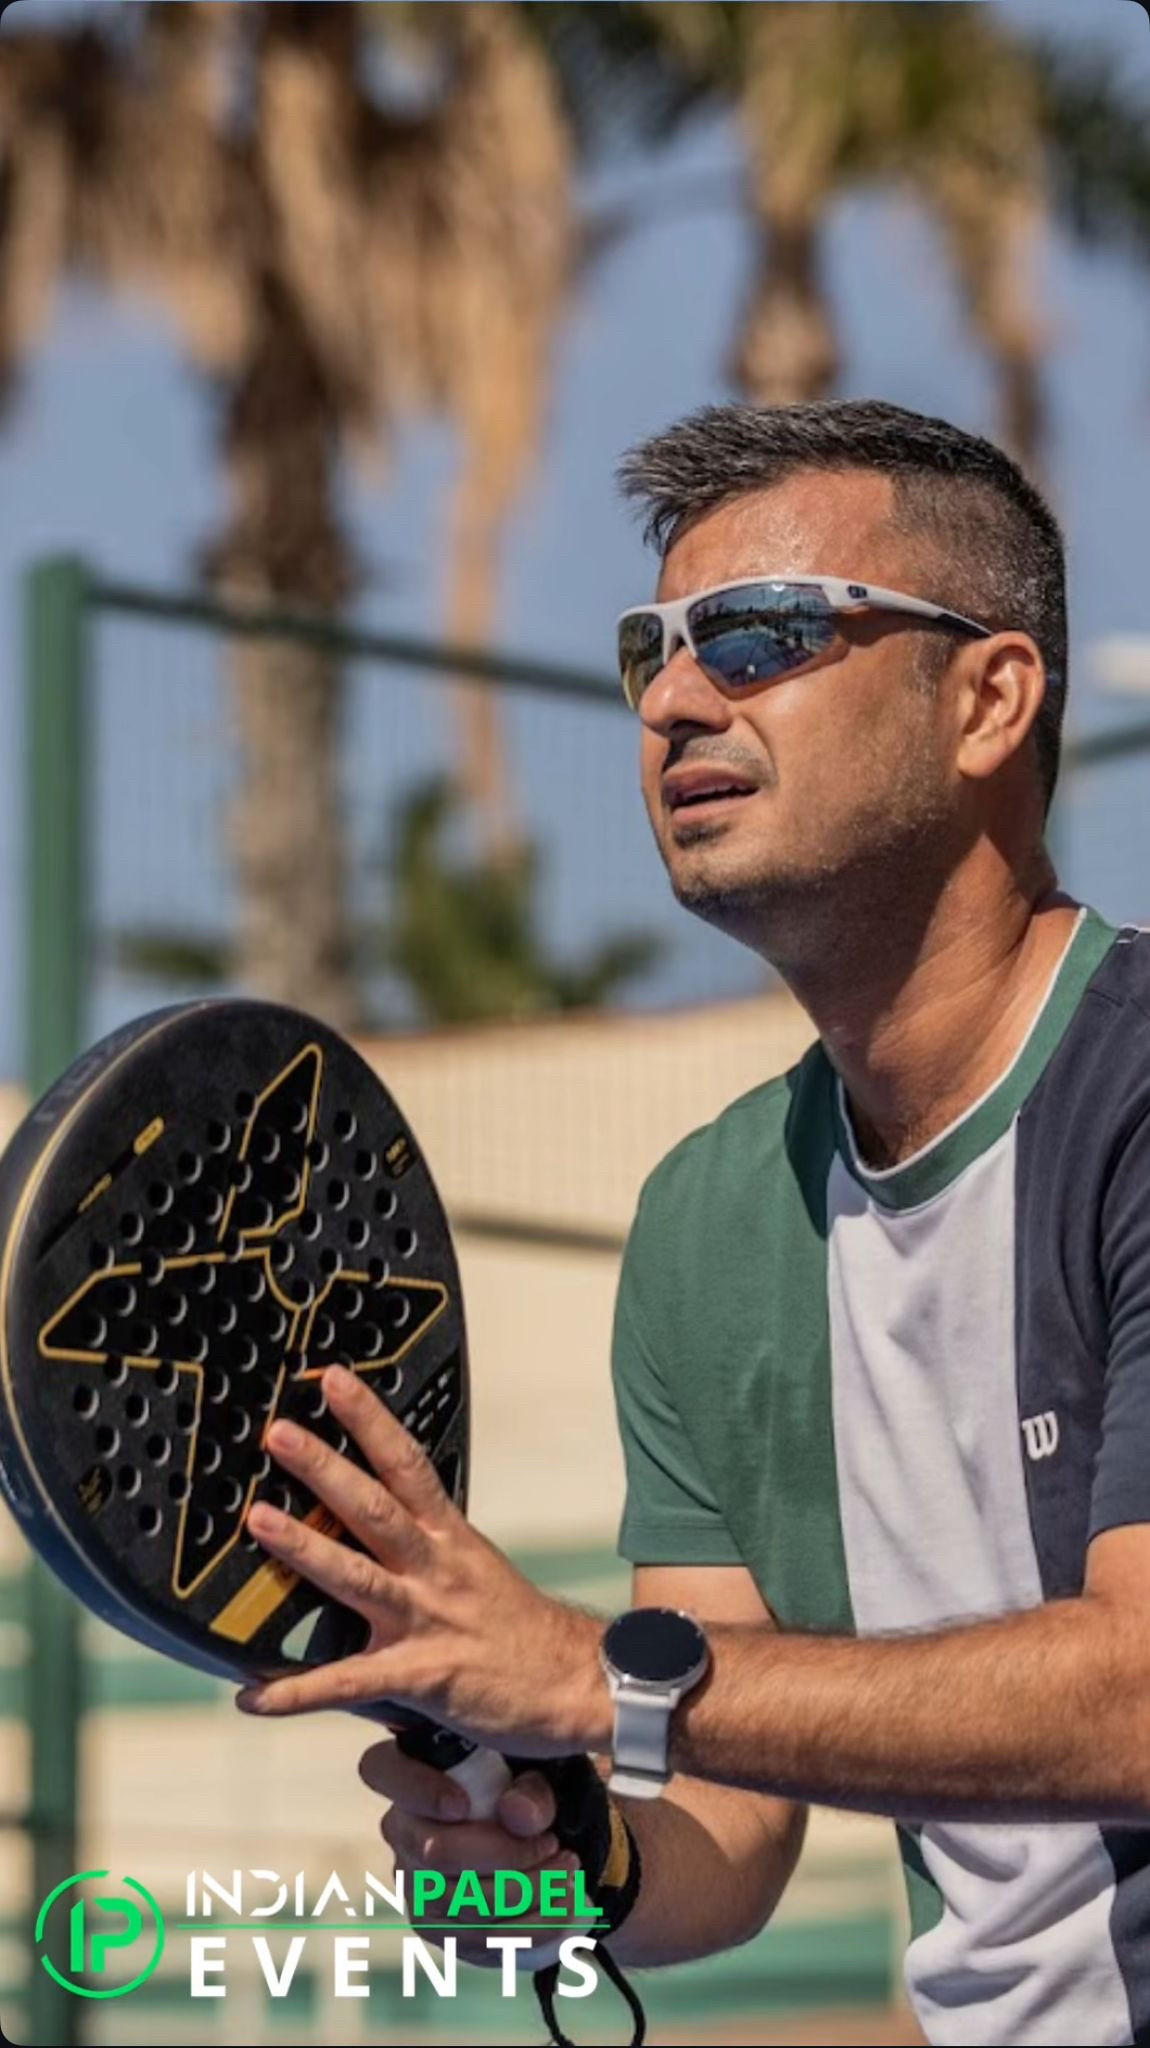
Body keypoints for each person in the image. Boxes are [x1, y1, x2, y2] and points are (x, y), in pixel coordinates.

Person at [237, 400, 1150, 2048]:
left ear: (987, 698)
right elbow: (724, 1825)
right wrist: (564, 1857)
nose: (670, 700)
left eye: (758, 633)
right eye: (647, 652)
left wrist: (585, 1674)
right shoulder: (707, 1224)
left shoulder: (1136, 1092)